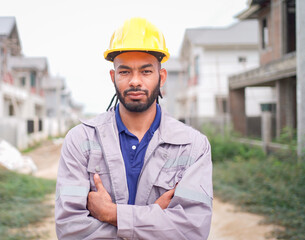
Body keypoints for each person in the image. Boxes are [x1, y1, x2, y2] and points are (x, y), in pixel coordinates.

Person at [55, 17, 213, 240]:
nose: (135, 81)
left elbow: (192, 231)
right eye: (125, 72)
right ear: (113, 77)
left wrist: (112, 214)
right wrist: (153, 220)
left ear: (162, 76)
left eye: (146, 71)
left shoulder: (193, 146)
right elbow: (70, 230)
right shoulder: (80, 139)